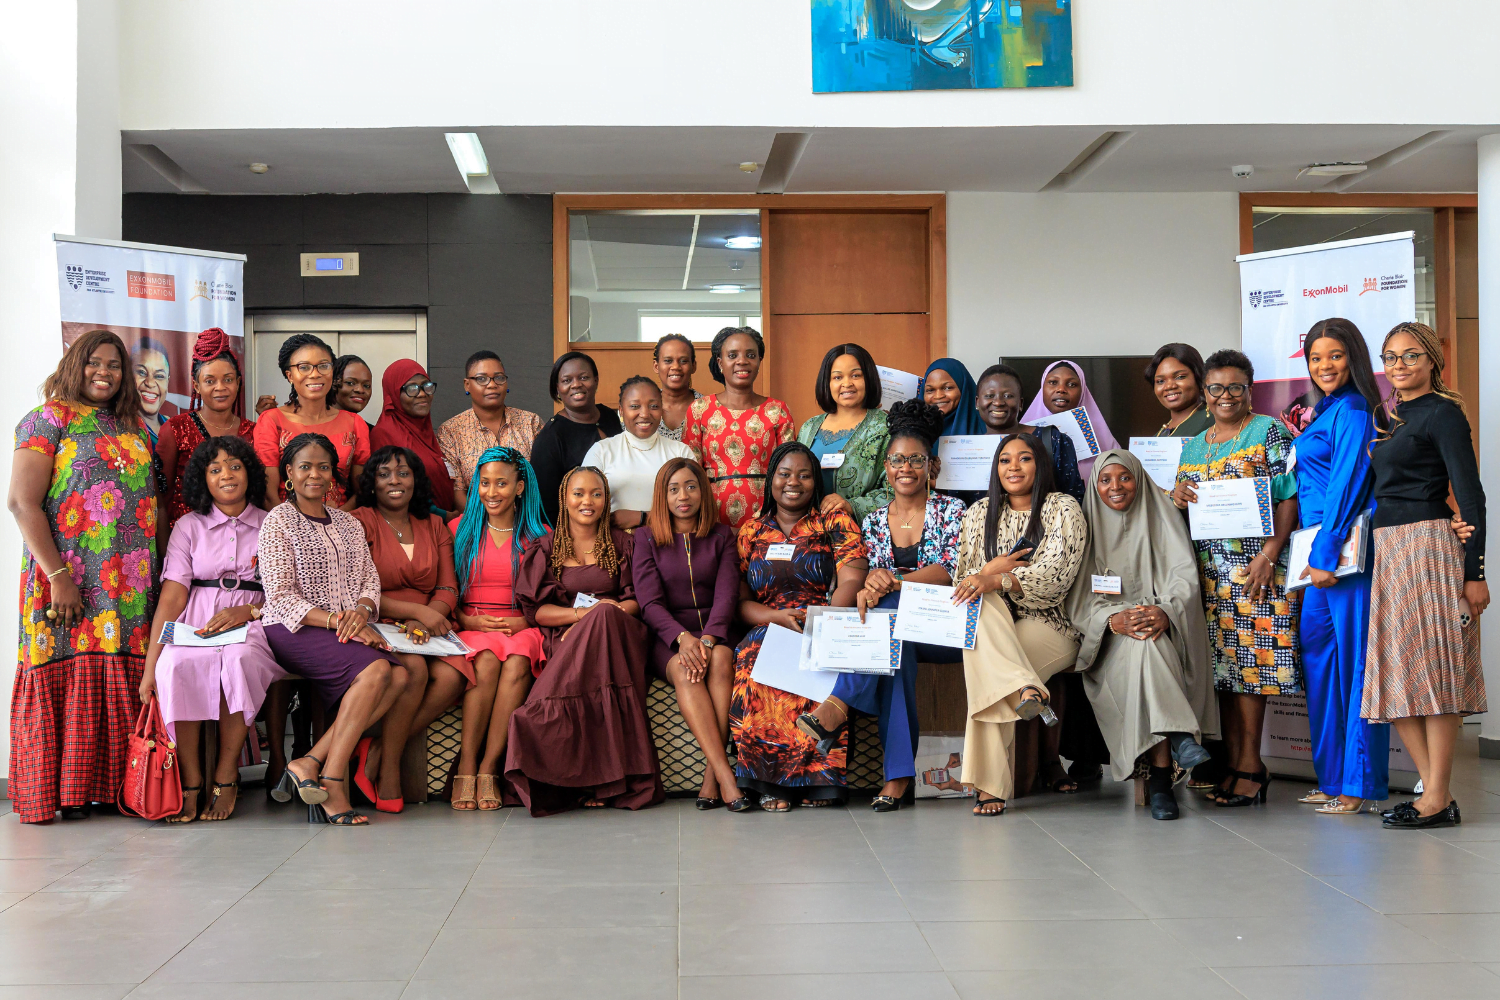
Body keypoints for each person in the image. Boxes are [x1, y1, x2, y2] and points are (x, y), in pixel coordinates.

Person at [8, 330, 156, 823]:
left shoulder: (133, 427)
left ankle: (116, 790)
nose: (105, 373)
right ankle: (62, 794)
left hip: (129, 590)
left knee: (118, 676)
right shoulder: (48, 419)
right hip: (67, 581)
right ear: (76, 363)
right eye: (95, 362)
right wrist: (58, 574)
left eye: (115, 366)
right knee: (67, 670)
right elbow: (21, 502)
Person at [796, 400, 966, 811]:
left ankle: (839, 705)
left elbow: (947, 571)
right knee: (894, 646)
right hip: (899, 632)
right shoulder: (872, 519)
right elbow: (868, 578)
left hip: (944, 625)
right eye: (896, 460)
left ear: (933, 467)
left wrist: (892, 581)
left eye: (915, 460)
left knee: (891, 610)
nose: (905, 468)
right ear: (885, 468)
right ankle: (897, 777)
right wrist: (872, 584)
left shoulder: (952, 510)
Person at [1365, 322, 1488, 830]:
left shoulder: (1444, 413)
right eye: (1391, 357)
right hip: (1389, 549)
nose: (1399, 365)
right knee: (1397, 677)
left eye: (1411, 356)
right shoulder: (1383, 415)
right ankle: (1435, 793)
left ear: (1433, 360)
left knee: (1436, 675)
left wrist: (1474, 572)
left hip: (1431, 548)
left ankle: (1435, 797)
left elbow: (1472, 496)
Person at [1172, 349, 1300, 808]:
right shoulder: (1193, 445)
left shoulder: (1269, 432)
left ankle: (1251, 767)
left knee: (1254, 670)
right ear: (1205, 394)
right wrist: (1178, 497)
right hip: (1209, 573)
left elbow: (1288, 496)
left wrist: (1271, 553)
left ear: (1250, 391)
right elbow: (1181, 508)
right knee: (1224, 673)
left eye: (1236, 388)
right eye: (1216, 388)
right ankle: (1236, 764)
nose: (1226, 396)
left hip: (1256, 569)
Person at [260, 433, 406, 826]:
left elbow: (369, 581)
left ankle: (309, 761)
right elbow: (279, 595)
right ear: (288, 473)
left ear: (333, 474)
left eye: (323, 467)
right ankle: (334, 778)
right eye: (305, 466)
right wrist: (340, 621)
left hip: (343, 627)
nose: (315, 474)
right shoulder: (278, 520)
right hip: (292, 629)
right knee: (378, 670)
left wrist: (360, 611)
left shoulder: (348, 523)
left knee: (399, 674)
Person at [1065, 450, 1218, 820]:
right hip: (1109, 640)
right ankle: (1177, 745)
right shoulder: (1084, 527)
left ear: (1139, 479)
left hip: (1162, 629)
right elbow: (1078, 600)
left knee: (1149, 644)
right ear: (1094, 485)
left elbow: (1184, 580)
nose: (1116, 487)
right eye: (1105, 480)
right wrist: (1112, 620)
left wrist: (1164, 612)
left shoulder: (1164, 517)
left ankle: (1163, 780)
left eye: (1125, 478)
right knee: (1143, 646)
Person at [138, 436, 285, 823]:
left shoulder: (272, 523)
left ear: (249, 473)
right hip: (196, 621)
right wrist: (152, 665)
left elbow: (288, 592)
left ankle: (226, 774)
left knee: (237, 659)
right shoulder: (189, 526)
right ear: (203, 480)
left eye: (234, 466)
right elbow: (171, 598)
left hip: (255, 622)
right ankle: (190, 782)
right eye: (215, 469)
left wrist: (249, 611)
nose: (226, 475)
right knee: (176, 666)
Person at [509, 466, 661, 815]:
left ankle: (541, 722)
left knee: (606, 616)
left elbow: (638, 601)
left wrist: (602, 615)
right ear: (564, 498)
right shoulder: (545, 546)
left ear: (606, 499)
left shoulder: (624, 542)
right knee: (597, 622)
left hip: (620, 636)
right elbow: (537, 611)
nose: (587, 501)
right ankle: (589, 781)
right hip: (566, 633)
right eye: (578, 493)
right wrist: (583, 617)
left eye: (596, 493)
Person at [950, 433, 1087, 815]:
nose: (1013, 467)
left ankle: (990, 787)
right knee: (984, 606)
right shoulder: (979, 512)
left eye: (1024, 458)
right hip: (992, 623)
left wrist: (998, 580)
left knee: (988, 669)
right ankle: (1027, 688)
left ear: (1040, 465)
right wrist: (990, 573)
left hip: (1050, 623)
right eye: (1005, 460)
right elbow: (963, 581)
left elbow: (1057, 577)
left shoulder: (1062, 507)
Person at [730, 442, 868, 811]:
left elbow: (852, 579)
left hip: (826, 618)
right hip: (768, 623)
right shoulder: (750, 532)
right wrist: (776, 619)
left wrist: (823, 622)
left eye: (804, 475)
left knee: (815, 656)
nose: (794, 482)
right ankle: (768, 783)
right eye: (785, 474)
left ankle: (817, 782)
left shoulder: (833, 521)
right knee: (753, 657)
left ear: (815, 482)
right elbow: (741, 602)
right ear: (771, 480)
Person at [1294, 319, 1390, 815]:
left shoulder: (1353, 410)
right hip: (1318, 558)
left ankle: (1358, 783)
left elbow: (1348, 486)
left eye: (1334, 355)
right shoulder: (1325, 410)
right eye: (1316, 357)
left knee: (1355, 668)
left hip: (1345, 557)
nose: (1324, 365)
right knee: (1321, 662)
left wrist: (1326, 555)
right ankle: (1331, 778)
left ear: (1353, 357)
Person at [350, 445, 465, 813]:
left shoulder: (434, 525)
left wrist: (427, 616)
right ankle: (390, 773)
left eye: (403, 473)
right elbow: (355, 589)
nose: (395, 481)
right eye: (384, 474)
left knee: (452, 677)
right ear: (372, 482)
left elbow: (448, 586)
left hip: (428, 625)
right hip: (377, 620)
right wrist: (414, 611)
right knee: (413, 668)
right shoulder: (359, 521)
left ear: (416, 480)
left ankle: (381, 749)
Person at [632, 457, 748, 811]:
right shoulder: (645, 538)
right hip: (668, 637)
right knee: (687, 671)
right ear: (662, 497)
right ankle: (727, 777)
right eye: (673, 488)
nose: (683, 495)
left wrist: (710, 638)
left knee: (723, 660)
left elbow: (728, 594)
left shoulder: (723, 536)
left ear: (703, 491)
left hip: (717, 630)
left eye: (691, 486)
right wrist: (683, 639)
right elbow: (649, 602)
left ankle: (711, 778)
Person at [448, 446, 550, 810]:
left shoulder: (539, 535)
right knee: (487, 660)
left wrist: (526, 619)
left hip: (522, 626)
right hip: (471, 625)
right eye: (485, 483)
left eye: (502, 484)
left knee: (520, 657)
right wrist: (467, 619)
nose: (492, 492)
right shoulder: (459, 531)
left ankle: (490, 768)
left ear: (519, 487)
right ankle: (467, 764)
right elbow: (444, 591)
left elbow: (548, 597)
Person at [681, 326, 795, 529]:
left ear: (759, 361)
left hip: (767, 519)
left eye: (750, 355)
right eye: (732, 355)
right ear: (720, 362)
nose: (742, 361)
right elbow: (690, 471)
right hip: (711, 519)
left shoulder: (777, 410)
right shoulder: (699, 409)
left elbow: (789, 473)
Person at [253, 334, 369, 511]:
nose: (315, 374)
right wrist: (301, 529)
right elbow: (268, 495)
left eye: (323, 366)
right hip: (287, 529)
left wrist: (336, 523)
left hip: (342, 527)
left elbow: (361, 491)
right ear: (290, 375)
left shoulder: (355, 423)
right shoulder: (271, 420)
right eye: (304, 367)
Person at [158, 328, 256, 536]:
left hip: (244, 541)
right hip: (189, 543)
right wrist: (165, 553)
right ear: (197, 385)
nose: (220, 387)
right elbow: (161, 500)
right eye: (210, 381)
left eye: (228, 379)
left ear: (238, 383)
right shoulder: (176, 429)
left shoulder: (253, 431)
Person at [582, 376, 695, 530]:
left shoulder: (680, 452)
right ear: (621, 410)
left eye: (654, 406)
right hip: (614, 546)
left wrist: (642, 517)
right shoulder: (602, 451)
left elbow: (694, 509)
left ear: (662, 409)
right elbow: (584, 507)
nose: (645, 414)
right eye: (635, 406)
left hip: (668, 546)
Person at [797, 342, 893, 523]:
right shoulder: (809, 427)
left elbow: (897, 490)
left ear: (869, 379)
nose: (847, 383)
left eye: (856, 375)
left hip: (860, 536)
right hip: (809, 533)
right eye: (837, 377)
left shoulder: (886, 427)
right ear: (827, 382)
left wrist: (852, 505)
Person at [438, 350, 544, 510]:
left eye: (499, 378)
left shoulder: (530, 422)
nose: (492, 384)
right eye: (482, 379)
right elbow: (457, 492)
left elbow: (542, 481)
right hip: (477, 527)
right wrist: (486, 528)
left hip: (528, 525)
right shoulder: (450, 431)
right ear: (467, 385)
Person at [530, 351, 622, 526]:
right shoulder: (550, 437)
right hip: (578, 536)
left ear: (596, 380)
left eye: (584, 377)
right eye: (567, 380)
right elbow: (545, 509)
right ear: (557, 388)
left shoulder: (612, 417)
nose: (576, 385)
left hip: (624, 526)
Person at [975, 363, 1083, 502]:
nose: (998, 402)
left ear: (1020, 403)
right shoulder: (963, 450)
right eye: (990, 395)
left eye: (1008, 396)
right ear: (977, 402)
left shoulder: (1052, 439)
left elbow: (1074, 498)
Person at [370, 359, 456, 514]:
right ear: (394, 394)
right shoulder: (385, 433)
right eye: (412, 388)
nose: (422, 394)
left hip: (443, 526)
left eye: (426, 386)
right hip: (415, 527)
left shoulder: (426, 432)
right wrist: (444, 516)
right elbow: (393, 489)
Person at [1019, 360, 1121, 482]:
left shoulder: (1103, 439)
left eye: (1072, 384)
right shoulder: (1020, 434)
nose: (1061, 389)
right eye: (1053, 382)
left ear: (1082, 390)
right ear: (1042, 387)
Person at [1146, 344, 1214, 439]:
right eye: (1160, 381)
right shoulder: (1158, 435)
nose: (1169, 386)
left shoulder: (1214, 420)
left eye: (1180, 377)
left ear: (1199, 377)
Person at [652, 334, 702, 442]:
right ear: (656, 366)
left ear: (693, 366)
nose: (676, 367)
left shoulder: (707, 409)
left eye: (683, 361)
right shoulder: (643, 408)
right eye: (668, 361)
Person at [132, 335, 171, 444]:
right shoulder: (117, 428)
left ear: (168, 381)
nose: (150, 383)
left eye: (159, 376)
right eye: (141, 372)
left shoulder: (175, 428)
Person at [333, 354, 375, 431]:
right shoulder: (315, 428)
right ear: (333, 383)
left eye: (366, 386)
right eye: (350, 383)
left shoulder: (372, 433)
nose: (360, 390)